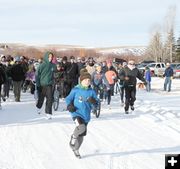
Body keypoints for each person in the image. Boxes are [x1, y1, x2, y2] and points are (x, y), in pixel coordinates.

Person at [66, 69, 98, 158]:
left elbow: (97, 104)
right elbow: (68, 99)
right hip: (76, 113)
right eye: (85, 80)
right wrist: (69, 106)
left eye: (89, 80)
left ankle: (76, 149)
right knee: (81, 127)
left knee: (82, 134)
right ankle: (73, 137)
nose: (87, 82)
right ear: (81, 81)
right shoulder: (76, 90)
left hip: (86, 116)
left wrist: (94, 101)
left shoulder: (91, 91)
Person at [36, 52, 56, 119]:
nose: (50, 58)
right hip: (42, 85)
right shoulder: (41, 65)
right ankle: (38, 107)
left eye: (51, 57)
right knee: (41, 98)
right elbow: (37, 75)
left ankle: (48, 113)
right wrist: (38, 84)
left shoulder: (53, 65)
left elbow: (55, 73)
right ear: (46, 57)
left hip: (49, 85)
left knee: (50, 99)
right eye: (49, 57)